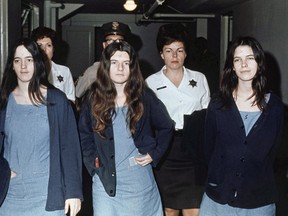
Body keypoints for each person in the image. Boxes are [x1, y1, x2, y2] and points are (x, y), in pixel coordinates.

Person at [78, 41, 174, 216]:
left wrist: (155, 153)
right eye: (114, 62)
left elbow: (167, 126)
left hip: (139, 183)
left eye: (125, 63)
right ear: (106, 66)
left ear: (132, 67)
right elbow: (83, 135)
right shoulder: (93, 97)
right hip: (106, 182)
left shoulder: (144, 96)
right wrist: (94, 165)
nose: (120, 68)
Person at [199, 36, 285, 216]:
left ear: (259, 62)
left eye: (250, 58)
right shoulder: (218, 104)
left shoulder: (276, 107)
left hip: (258, 201)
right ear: (232, 66)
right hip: (218, 200)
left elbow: (278, 154)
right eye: (238, 60)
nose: (244, 64)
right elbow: (208, 149)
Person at [0, 38, 83, 216]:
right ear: (11, 66)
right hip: (10, 194)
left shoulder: (57, 100)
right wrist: (4, 171)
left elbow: (69, 148)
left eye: (29, 59)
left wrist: (73, 192)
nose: (23, 66)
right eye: (17, 60)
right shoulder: (4, 101)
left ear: (37, 63)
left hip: (47, 195)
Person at [146, 23, 210, 216]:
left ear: (186, 53)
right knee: (169, 210)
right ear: (161, 54)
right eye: (169, 50)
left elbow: (207, 116)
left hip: (193, 151)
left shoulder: (199, 79)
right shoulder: (151, 83)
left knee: (194, 209)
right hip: (165, 151)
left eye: (179, 50)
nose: (174, 56)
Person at [75, 21, 131, 99]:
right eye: (110, 41)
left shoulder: (131, 69)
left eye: (119, 41)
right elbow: (77, 94)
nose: (114, 45)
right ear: (104, 45)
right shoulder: (93, 71)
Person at [31, 26, 76, 102]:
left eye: (48, 45)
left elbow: (71, 100)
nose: (44, 50)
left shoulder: (64, 71)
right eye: (39, 45)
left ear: (53, 48)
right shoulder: (27, 71)